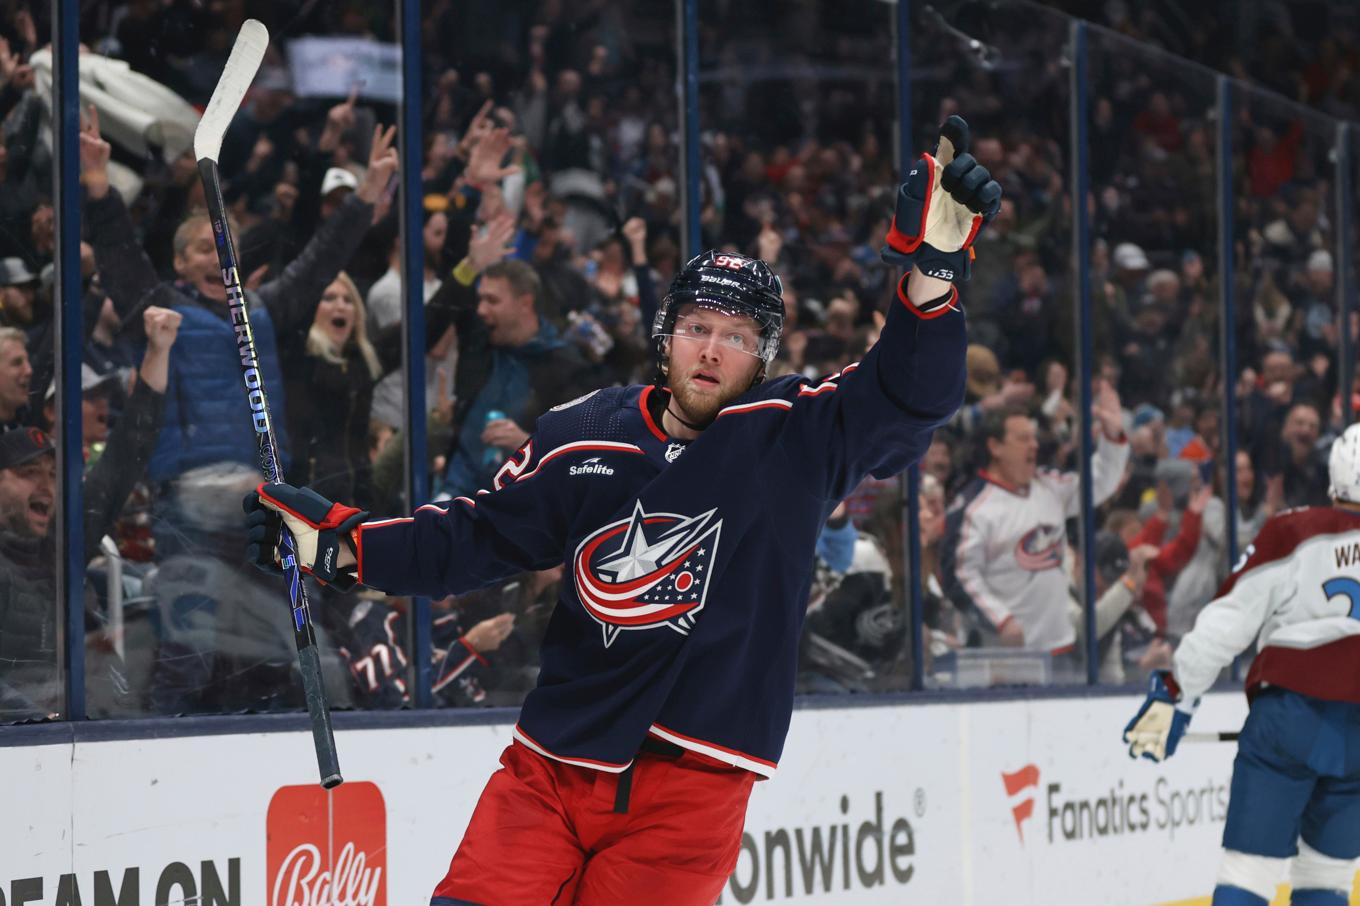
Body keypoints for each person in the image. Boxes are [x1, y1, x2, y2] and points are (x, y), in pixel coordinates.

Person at [244, 116, 999, 904]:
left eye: (736, 336)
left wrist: (933, 278)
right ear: (667, 337)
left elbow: (906, 399)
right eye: (698, 328)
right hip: (553, 766)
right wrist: (341, 547)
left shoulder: (795, 438)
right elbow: (475, 535)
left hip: (693, 788)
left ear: (764, 356)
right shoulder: (585, 433)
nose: (711, 350)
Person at [1123, 423, 1360, 906]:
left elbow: (1225, 624)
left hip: (1290, 714)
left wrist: (1176, 693)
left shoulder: (1294, 530)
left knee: (1249, 872)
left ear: (1335, 481)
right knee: (1328, 877)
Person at [939, 385, 1129, 655]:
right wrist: (1000, 621)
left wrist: (1112, 438)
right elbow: (959, 574)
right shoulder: (974, 507)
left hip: (1063, 648)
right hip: (1005, 656)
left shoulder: (1049, 485)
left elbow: (1100, 482)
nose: (1034, 445)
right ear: (995, 447)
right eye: (1023, 439)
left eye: (1034, 437)